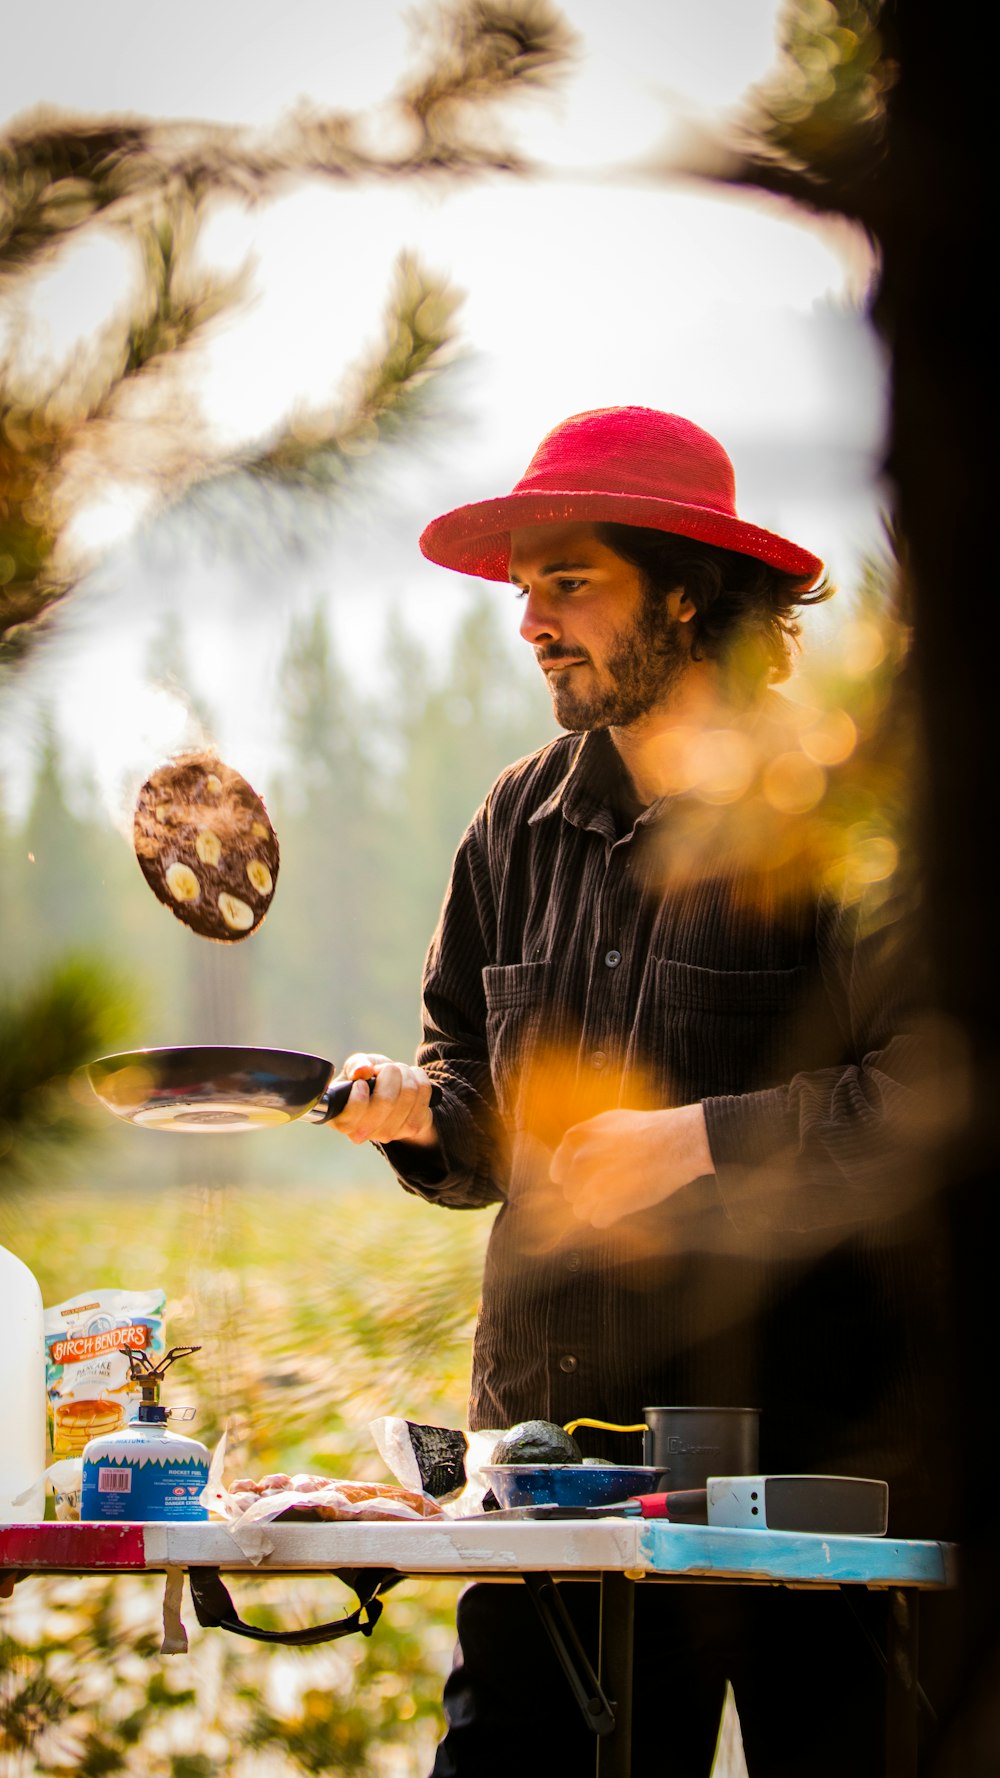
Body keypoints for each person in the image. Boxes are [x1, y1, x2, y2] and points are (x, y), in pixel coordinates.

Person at [330, 408, 956, 1776]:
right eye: (524, 591)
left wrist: (700, 1142)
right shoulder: (514, 820)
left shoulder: (834, 817)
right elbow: (485, 1118)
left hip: (810, 1485)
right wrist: (414, 1114)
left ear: (686, 588)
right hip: (549, 1469)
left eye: (571, 582)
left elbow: (928, 1089)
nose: (532, 623)